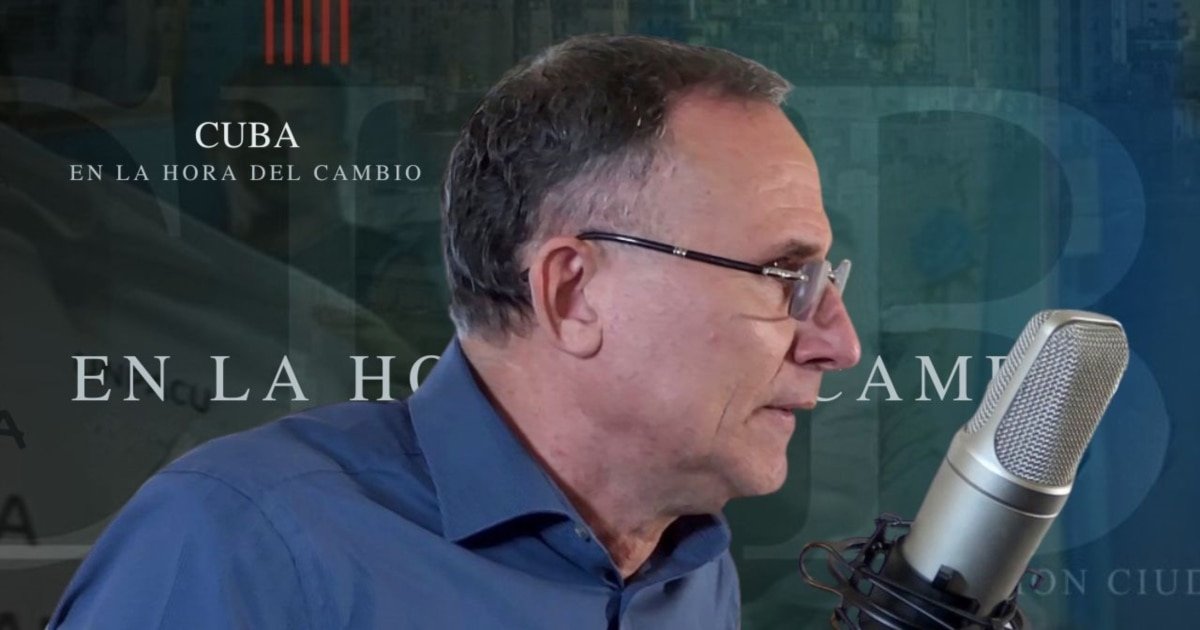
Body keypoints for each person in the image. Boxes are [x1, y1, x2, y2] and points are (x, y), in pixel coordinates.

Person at [49, 34, 860, 629]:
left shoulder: (690, 573)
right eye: (784, 276)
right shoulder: (242, 544)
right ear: (574, 293)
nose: (839, 343)